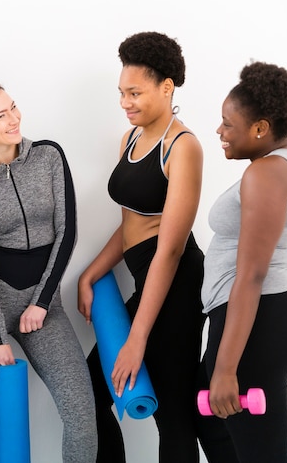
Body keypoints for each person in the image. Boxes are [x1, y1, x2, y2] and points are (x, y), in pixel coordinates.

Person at [0, 81, 98, 462]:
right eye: (2, 114)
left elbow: (68, 232)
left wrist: (42, 302)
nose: (15, 118)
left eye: (13, 107)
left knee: (81, 415)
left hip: (42, 305)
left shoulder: (48, 156)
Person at [77, 31, 205, 462]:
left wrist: (137, 337)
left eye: (135, 92)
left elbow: (168, 250)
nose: (125, 102)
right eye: (121, 93)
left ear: (167, 87)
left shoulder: (183, 147)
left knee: (172, 418)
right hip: (146, 280)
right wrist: (91, 274)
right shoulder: (131, 138)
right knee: (91, 395)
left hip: (176, 286)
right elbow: (131, 222)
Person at [196, 62, 287, 463]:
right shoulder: (282, 160)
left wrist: (227, 369)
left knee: (261, 454)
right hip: (269, 316)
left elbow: (251, 276)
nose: (219, 131)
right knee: (211, 422)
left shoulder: (266, 174)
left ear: (261, 128)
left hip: (258, 321)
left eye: (228, 124)